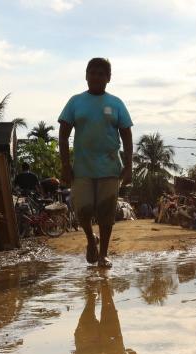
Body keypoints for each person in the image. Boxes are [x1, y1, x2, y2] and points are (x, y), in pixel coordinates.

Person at [58, 57, 133, 269]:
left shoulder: (116, 103)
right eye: (93, 72)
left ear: (108, 78)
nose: (97, 77)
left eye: (102, 73)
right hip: (82, 168)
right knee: (83, 210)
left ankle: (104, 254)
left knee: (106, 212)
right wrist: (65, 165)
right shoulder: (75, 102)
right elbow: (63, 135)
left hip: (110, 167)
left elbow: (127, 135)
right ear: (86, 75)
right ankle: (91, 239)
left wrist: (129, 166)